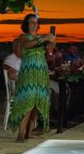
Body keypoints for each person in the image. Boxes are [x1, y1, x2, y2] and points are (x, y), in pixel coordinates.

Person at [8, 13, 56, 142]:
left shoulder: (41, 38)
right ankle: (20, 134)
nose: (35, 24)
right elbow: (27, 45)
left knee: (37, 104)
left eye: (36, 22)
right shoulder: (23, 37)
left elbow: (50, 49)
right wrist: (44, 38)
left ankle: (28, 133)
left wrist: (52, 40)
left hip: (41, 72)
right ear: (26, 24)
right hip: (28, 73)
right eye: (31, 22)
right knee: (27, 102)